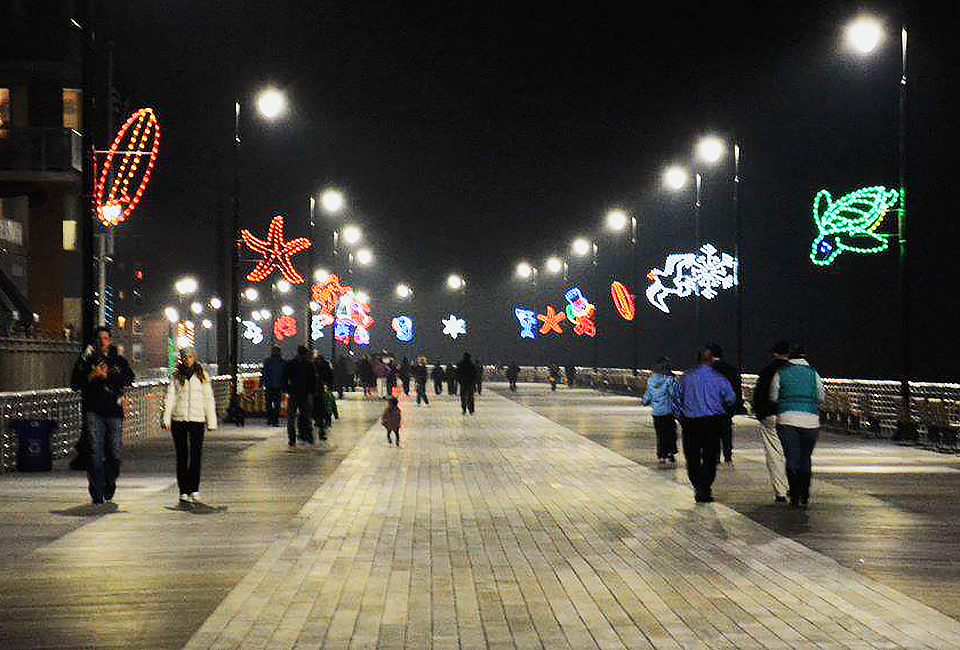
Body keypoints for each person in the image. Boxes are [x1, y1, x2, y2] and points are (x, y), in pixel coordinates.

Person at [70, 326, 135, 504]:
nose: (102, 342)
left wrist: (107, 376)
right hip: (93, 411)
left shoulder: (117, 359)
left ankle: (109, 480)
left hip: (114, 411)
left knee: (114, 452)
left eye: (105, 338)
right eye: (99, 339)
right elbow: (74, 384)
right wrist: (91, 375)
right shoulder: (86, 359)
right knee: (95, 452)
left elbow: (129, 379)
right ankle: (97, 491)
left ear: (110, 340)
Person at [673, 345, 735, 503]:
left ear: (697, 359)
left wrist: (681, 418)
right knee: (710, 457)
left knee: (692, 457)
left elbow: (675, 400)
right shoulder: (719, 378)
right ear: (711, 359)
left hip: (690, 423)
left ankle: (697, 485)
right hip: (712, 423)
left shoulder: (685, 377)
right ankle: (705, 488)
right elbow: (730, 398)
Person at [770, 345, 825, 508]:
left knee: (792, 457)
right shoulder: (813, 373)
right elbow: (821, 396)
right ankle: (805, 494)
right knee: (805, 457)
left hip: (787, 420)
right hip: (811, 421)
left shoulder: (781, 373)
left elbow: (773, 396)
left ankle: (794, 496)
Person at [163, 347, 217, 506]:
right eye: (185, 357)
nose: (188, 359)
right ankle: (183, 491)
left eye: (191, 356)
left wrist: (211, 420)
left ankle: (194, 488)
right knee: (182, 456)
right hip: (178, 419)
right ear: (182, 359)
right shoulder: (176, 376)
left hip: (197, 419)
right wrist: (166, 418)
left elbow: (208, 398)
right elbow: (170, 397)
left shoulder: (202, 376)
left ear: (195, 358)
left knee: (196, 455)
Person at [752, 341, 791, 503]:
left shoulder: (767, 371)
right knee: (792, 452)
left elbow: (759, 395)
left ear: (774, 353)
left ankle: (781, 491)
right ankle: (794, 486)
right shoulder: (794, 370)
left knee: (775, 454)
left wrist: (760, 414)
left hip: (771, 416)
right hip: (792, 416)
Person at [708, 342, 743, 464]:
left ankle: (716, 455)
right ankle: (728, 455)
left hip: (711, 406)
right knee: (726, 430)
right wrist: (737, 404)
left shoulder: (707, 370)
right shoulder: (731, 369)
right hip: (727, 406)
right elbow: (737, 388)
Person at [642, 357, 678, 465]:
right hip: (668, 411)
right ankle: (670, 452)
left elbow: (648, 395)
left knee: (660, 433)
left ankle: (661, 455)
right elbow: (673, 393)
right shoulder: (669, 379)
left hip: (656, 412)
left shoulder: (650, 380)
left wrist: (645, 401)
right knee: (671, 432)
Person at [283, 345, 317, 446]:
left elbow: (285, 378)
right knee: (306, 415)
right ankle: (308, 436)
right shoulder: (309, 364)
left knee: (291, 416)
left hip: (294, 392)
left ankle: (292, 438)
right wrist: (312, 391)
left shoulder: (291, 364)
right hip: (304, 393)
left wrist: (287, 389)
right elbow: (313, 380)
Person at [261, 346, 285, 426]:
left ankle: (270, 419)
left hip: (269, 385)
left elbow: (264, 372)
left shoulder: (268, 361)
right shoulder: (282, 362)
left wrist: (262, 382)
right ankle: (275, 419)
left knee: (269, 403)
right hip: (278, 385)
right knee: (276, 403)